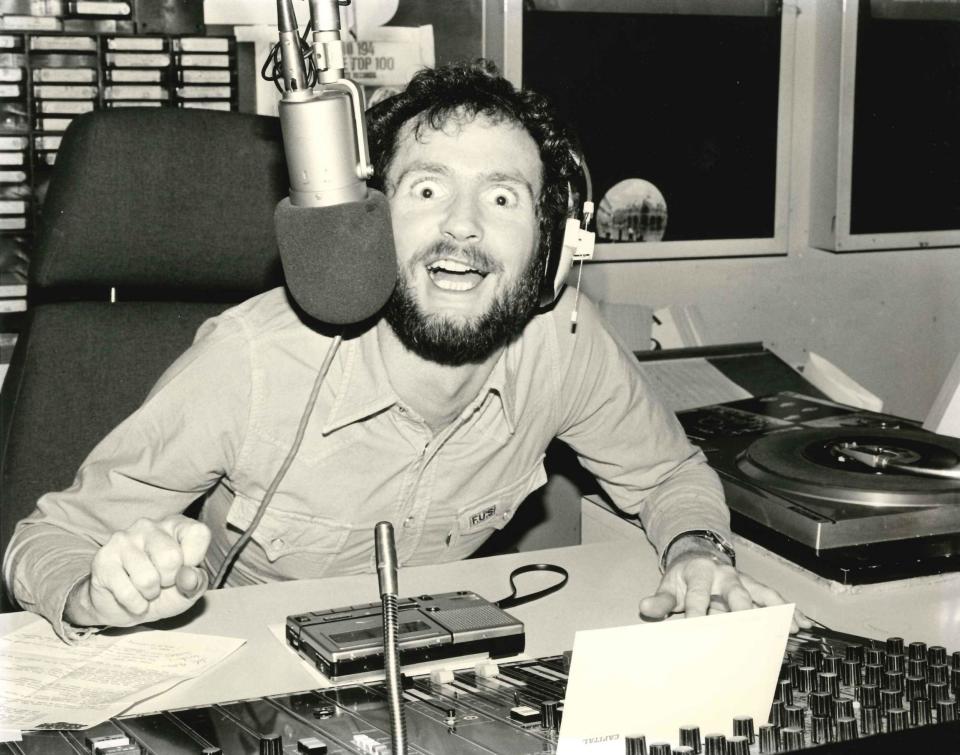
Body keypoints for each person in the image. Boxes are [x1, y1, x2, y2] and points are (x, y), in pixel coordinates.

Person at [3, 60, 807, 643]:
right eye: (426, 191)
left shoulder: (563, 346)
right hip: (246, 672)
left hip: (440, 666)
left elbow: (667, 472)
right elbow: (45, 538)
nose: (462, 227)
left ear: (555, 249)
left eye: (502, 197)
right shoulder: (250, 361)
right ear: (365, 223)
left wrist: (698, 548)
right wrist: (93, 595)